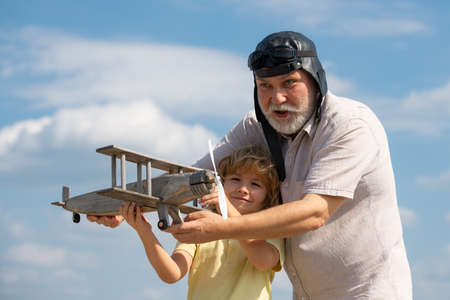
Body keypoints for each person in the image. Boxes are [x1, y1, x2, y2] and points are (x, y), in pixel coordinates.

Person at [89, 31, 413, 299]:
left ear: (316, 81)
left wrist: (223, 226)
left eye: (289, 83)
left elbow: (315, 211)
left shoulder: (349, 125)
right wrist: (121, 206)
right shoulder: (257, 126)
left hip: (370, 293)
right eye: (265, 86)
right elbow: (191, 177)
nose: (277, 98)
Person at [119, 145, 284, 300]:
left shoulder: (269, 229)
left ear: (268, 198)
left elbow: (264, 261)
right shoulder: (201, 224)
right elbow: (171, 273)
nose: (243, 188)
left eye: (255, 184)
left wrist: (229, 211)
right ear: (221, 184)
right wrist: (144, 231)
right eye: (235, 179)